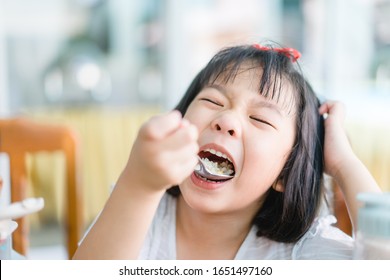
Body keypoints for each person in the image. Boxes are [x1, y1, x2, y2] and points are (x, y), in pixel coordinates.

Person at [73, 43, 381, 260]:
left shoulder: (300, 255)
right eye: (213, 102)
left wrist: (343, 162)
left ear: (285, 173)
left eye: (260, 119)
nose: (226, 121)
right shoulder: (140, 214)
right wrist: (138, 185)